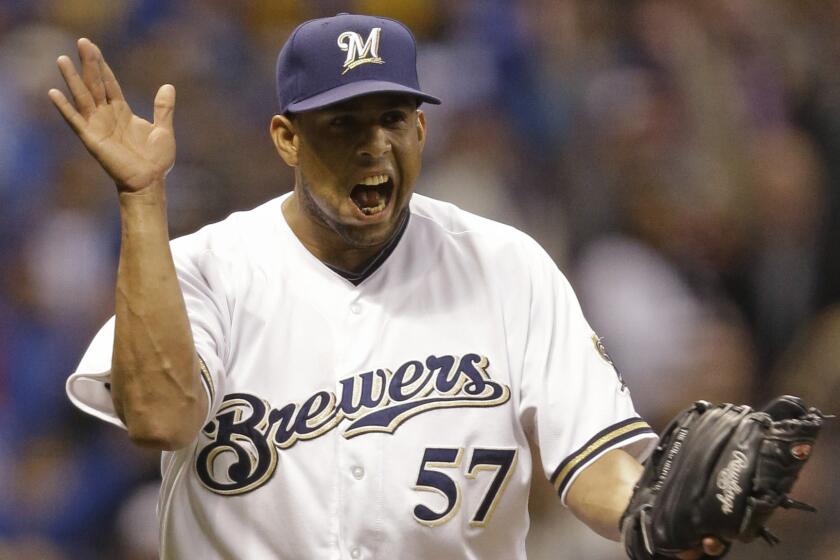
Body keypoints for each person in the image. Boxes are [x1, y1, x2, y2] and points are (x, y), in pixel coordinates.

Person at [50, 13, 724, 559]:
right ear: (286, 138)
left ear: (422, 129)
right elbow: (159, 417)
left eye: (392, 119)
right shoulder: (209, 268)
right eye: (343, 123)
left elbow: (596, 462)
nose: (374, 145)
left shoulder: (507, 266)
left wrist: (653, 517)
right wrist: (141, 199)